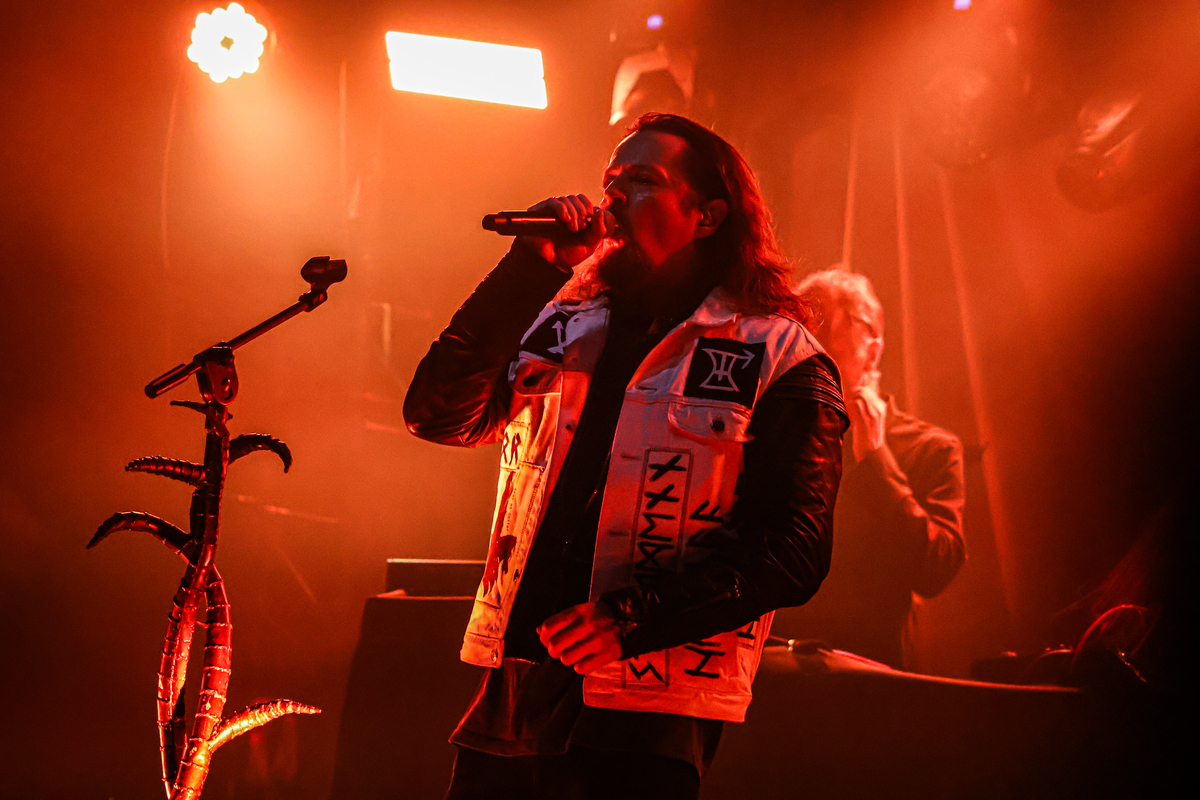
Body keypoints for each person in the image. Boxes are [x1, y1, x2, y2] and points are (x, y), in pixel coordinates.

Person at [403, 113, 847, 800]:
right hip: (514, 686)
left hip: (650, 701)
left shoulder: (779, 355)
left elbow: (792, 549)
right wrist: (529, 269)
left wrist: (632, 618)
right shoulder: (564, 321)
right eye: (610, 179)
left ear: (707, 216)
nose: (611, 196)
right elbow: (437, 415)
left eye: (642, 180)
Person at [773, 268, 966, 670]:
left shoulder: (930, 448)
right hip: (773, 666)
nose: (810, 374)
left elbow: (935, 569)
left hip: (870, 675)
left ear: (872, 353)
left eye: (827, 356)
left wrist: (876, 462)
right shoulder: (780, 437)